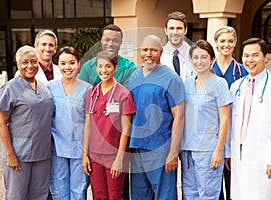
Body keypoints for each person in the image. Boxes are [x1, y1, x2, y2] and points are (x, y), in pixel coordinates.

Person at [230, 38, 271, 200]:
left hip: (264, 157)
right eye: (246, 56)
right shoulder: (236, 87)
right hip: (240, 154)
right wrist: (229, 153)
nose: (250, 60)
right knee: (240, 194)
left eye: (255, 55)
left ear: (265, 57)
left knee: (262, 195)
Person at [128, 34, 185, 200]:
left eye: (153, 50)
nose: (148, 54)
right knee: (139, 195)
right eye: (145, 50)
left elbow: (179, 117)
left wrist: (173, 152)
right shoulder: (134, 77)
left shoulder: (171, 78)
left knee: (164, 195)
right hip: (137, 146)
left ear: (160, 52)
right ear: (140, 52)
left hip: (160, 148)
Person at [0, 45, 54, 200]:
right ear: (18, 64)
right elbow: (1, 122)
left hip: (43, 153)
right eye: (25, 62)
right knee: (17, 195)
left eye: (34, 62)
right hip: (19, 154)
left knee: (40, 195)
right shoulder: (10, 88)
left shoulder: (44, 88)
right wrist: (10, 154)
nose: (30, 66)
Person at [180, 40, 232, 199]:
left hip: (209, 150)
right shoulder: (187, 83)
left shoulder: (220, 84)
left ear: (212, 59)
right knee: (189, 194)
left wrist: (219, 150)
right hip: (187, 150)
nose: (199, 61)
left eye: (204, 57)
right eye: (195, 57)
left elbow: (224, 119)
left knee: (208, 195)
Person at [82, 50, 135, 199]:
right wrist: (84, 154)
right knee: (98, 195)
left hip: (114, 154)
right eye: (100, 66)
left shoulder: (123, 94)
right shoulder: (92, 93)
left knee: (114, 195)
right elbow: (87, 125)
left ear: (115, 68)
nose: (103, 71)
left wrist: (119, 158)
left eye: (108, 66)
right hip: (95, 155)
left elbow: (126, 129)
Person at [47, 47, 91, 200]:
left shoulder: (87, 89)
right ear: (57, 65)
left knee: (79, 190)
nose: (67, 67)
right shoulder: (50, 87)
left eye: (72, 63)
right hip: (57, 147)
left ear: (78, 64)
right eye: (63, 63)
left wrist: (86, 152)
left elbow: (89, 123)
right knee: (58, 189)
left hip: (79, 148)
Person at [212, 26, 248, 200]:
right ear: (216, 43)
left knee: (233, 182)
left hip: (234, 131)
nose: (226, 45)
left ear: (235, 43)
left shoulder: (242, 71)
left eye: (230, 41)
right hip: (212, 133)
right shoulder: (207, 70)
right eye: (222, 41)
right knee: (214, 184)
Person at [160, 11, 195, 82]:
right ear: (166, 31)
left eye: (179, 28)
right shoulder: (158, 56)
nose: (175, 32)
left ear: (185, 30)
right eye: (171, 28)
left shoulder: (195, 55)